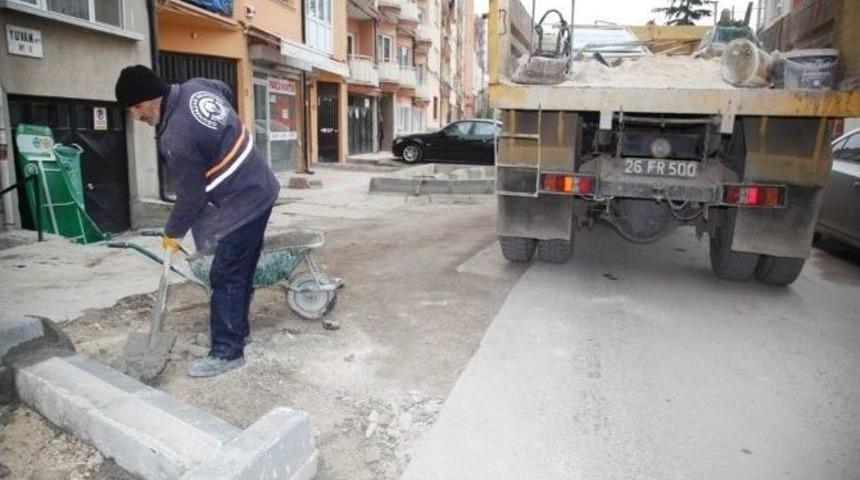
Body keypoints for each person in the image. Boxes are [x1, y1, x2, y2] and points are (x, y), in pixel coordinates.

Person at [115, 65, 280, 378]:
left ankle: (227, 352)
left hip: (243, 201)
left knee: (225, 274)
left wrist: (172, 233)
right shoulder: (197, 86)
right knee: (240, 270)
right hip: (262, 186)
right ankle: (238, 332)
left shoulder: (176, 138)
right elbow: (225, 91)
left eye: (136, 108)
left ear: (150, 99)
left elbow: (191, 199)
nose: (136, 117)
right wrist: (220, 132)